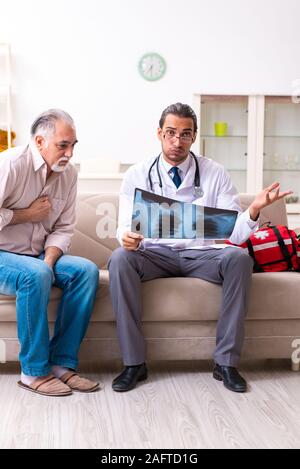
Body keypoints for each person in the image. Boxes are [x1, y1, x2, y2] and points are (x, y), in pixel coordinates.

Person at [108, 102, 291, 394]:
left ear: (194, 137)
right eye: (170, 133)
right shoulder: (137, 174)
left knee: (238, 257)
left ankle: (226, 363)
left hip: (202, 254)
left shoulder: (215, 173)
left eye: (185, 134)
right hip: (155, 254)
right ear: (159, 134)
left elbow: (234, 233)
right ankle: (134, 363)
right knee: (120, 259)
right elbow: (122, 226)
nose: (177, 141)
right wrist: (125, 237)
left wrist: (254, 209)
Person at [0, 109, 100, 396]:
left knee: (85, 271)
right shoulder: (10, 165)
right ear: (40, 142)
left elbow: (64, 227)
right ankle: (33, 372)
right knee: (35, 274)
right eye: (62, 146)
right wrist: (22, 215)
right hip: (3, 256)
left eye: (73, 145)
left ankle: (61, 363)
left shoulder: (68, 174)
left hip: (36, 257)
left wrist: (48, 260)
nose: (69, 153)